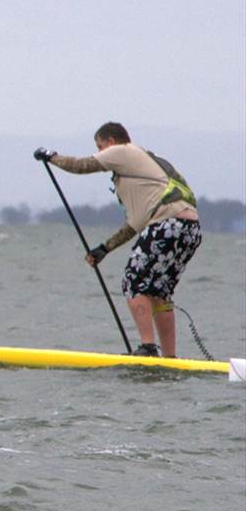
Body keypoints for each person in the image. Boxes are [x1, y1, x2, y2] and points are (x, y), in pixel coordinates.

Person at [35, 123, 202, 358]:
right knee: (159, 293)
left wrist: (51, 156)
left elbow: (81, 166)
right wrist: (104, 249)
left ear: (111, 142)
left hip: (167, 225)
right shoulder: (144, 165)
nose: (99, 152)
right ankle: (170, 359)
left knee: (133, 282)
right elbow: (134, 225)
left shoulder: (123, 151)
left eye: (99, 146)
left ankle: (147, 348)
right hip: (190, 229)